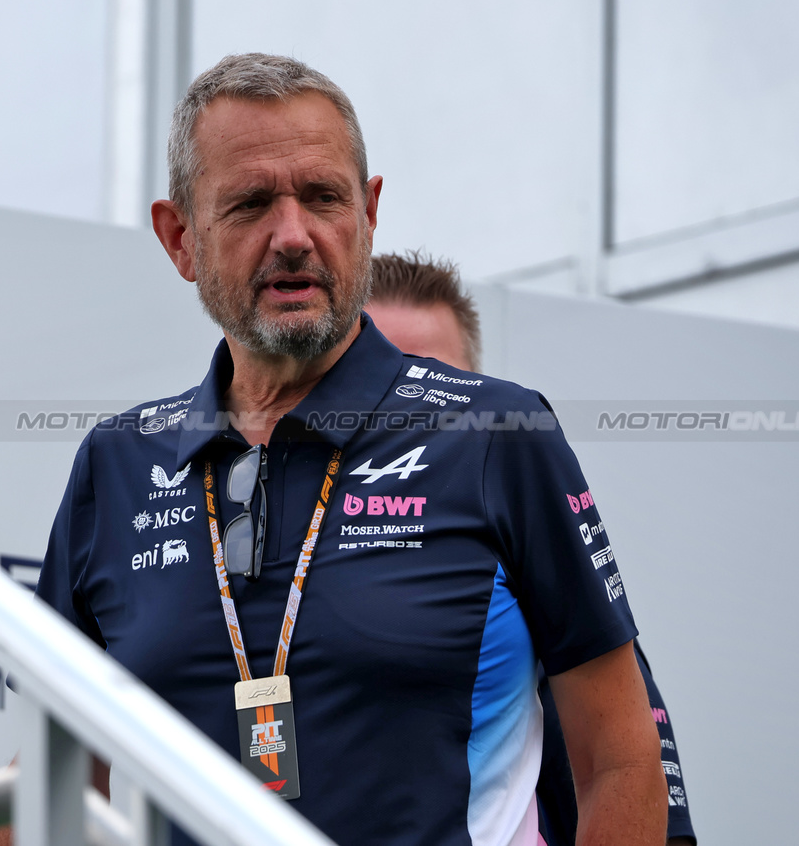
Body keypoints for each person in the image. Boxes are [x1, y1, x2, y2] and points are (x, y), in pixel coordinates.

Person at [38, 53, 666, 845]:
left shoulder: (497, 436)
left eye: (324, 197)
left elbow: (619, 759)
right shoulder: (117, 462)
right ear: (180, 238)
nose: (293, 236)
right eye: (250, 203)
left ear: (368, 215)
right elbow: (62, 782)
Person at [365, 251, 697, 846]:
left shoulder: (539, 611)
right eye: (378, 381)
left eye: (430, 385)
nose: (405, 412)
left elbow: (645, 807)